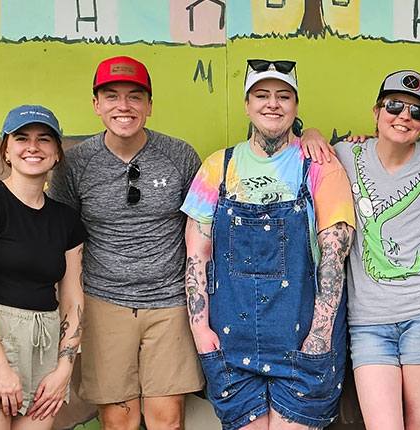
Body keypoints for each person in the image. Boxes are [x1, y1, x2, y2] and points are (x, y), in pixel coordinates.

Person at [180, 59, 357, 430]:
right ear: (247, 104)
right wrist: (200, 331)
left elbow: (333, 255)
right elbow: (197, 255)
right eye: (262, 95)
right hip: (231, 341)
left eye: (283, 96)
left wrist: (320, 335)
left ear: (295, 106)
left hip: (303, 339)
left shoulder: (321, 164)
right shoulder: (217, 166)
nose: (272, 103)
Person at [46, 56, 204, 430]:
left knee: (167, 420)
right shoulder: (76, 164)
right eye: (112, 95)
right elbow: (65, 240)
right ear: (96, 104)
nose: (124, 106)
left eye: (135, 96)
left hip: (169, 302)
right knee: (119, 421)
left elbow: (201, 231)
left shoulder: (180, 156)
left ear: (149, 106)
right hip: (104, 303)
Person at [0, 105, 86, 429]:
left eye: (44, 139)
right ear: (7, 151)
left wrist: (63, 370)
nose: (33, 147)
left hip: (44, 345)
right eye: (21, 138)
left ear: (56, 154)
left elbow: (73, 299)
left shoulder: (65, 220)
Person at [336, 70, 420, 430]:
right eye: (394, 106)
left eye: (416, 112)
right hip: (368, 320)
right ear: (376, 111)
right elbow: (305, 146)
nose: (404, 116)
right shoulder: (343, 154)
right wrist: (311, 133)